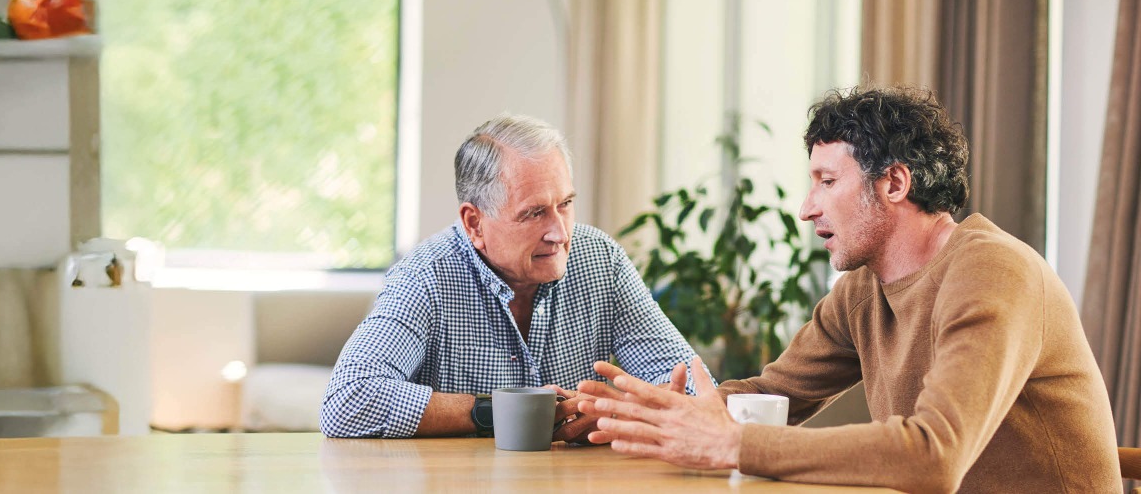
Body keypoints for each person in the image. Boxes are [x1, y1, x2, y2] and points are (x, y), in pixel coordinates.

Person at [576, 87, 1122, 493]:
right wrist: (670, 413)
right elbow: (776, 398)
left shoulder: (992, 272)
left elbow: (935, 454)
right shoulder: (863, 291)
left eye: (827, 182)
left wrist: (732, 442)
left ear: (894, 183)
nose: (806, 207)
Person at [320, 113, 699, 441]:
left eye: (565, 204)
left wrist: (619, 413)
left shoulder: (601, 259)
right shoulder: (424, 275)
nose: (560, 233)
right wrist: (501, 411)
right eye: (534, 213)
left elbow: (695, 385)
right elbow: (348, 399)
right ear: (475, 223)